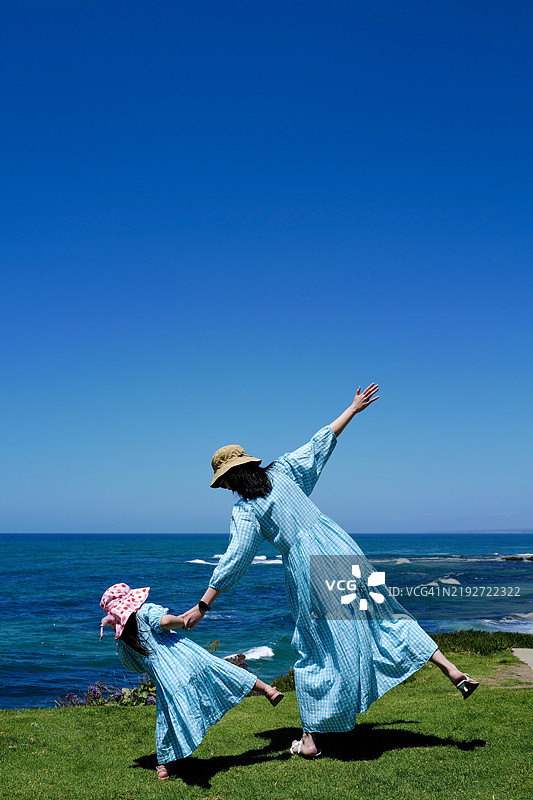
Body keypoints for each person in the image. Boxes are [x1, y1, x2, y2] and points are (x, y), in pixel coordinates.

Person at [181, 383, 480, 758]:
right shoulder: (284, 471)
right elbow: (320, 442)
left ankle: (310, 741)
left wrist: (203, 605)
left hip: (307, 564)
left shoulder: (245, 509)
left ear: (229, 478)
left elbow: (235, 557)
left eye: (223, 482)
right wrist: (352, 409)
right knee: (383, 614)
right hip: (339, 544)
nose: (225, 488)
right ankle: (450, 669)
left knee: (316, 645)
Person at [100, 582, 284, 780]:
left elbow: (133, 666)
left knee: (168, 717)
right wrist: (182, 622)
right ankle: (268, 690)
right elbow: (164, 622)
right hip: (190, 658)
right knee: (227, 672)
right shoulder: (145, 612)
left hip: (167, 677)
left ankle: (164, 766)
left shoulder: (124, 640)